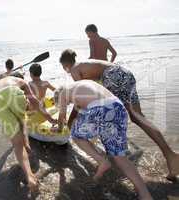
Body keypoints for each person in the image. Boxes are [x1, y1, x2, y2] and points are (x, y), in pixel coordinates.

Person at [59, 49, 179, 181]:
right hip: (124, 74)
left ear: (65, 66)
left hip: (113, 76)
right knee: (137, 116)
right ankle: (170, 155)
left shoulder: (74, 69)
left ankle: (168, 156)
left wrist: (70, 123)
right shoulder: (84, 63)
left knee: (109, 113)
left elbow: (79, 101)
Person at [52, 80, 153, 200]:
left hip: (102, 109)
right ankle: (145, 194)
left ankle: (102, 161)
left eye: (67, 103)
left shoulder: (64, 92)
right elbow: (85, 115)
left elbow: (62, 115)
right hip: (118, 108)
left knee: (76, 135)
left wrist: (58, 129)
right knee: (120, 157)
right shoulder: (83, 87)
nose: (68, 104)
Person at [0, 73, 57, 192]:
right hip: (13, 93)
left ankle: (29, 175)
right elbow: (34, 101)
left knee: (17, 143)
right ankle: (28, 156)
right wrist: (49, 118)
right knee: (23, 122)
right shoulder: (20, 81)